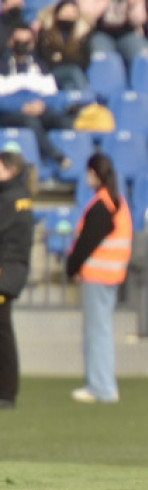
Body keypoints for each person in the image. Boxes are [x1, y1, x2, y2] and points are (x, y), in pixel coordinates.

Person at [66, 153, 133, 404]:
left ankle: (101, 386)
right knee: (101, 331)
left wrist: (71, 268)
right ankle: (102, 384)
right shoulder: (116, 202)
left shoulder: (102, 205)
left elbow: (85, 244)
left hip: (97, 275)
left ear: (94, 173)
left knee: (97, 333)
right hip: (111, 275)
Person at [0, 23, 73, 169]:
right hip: (9, 114)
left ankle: (75, 163)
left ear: (32, 44)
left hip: (39, 108)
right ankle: (54, 155)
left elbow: (56, 96)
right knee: (30, 121)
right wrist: (22, 106)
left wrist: (41, 104)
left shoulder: (40, 66)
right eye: (18, 42)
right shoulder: (2, 66)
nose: (22, 46)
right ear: (10, 42)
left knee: (63, 121)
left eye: (26, 42)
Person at [0, 151, 34, 410]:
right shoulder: (19, 197)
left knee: (3, 334)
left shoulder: (10, 198)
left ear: (9, 169)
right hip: (11, 270)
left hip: (5, 272)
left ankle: (6, 393)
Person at [36, 0, 92, 90]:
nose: (69, 15)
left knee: (69, 86)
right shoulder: (46, 34)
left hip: (72, 76)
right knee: (74, 71)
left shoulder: (82, 36)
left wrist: (61, 57)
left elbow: (84, 61)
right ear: (58, 13)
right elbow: (46, 58)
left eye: (72, 12)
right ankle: (88, 98)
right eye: (66, 11)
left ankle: (77, 100)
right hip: (51, 74)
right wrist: (68, 59)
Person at [87, 0, 148, 66]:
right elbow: (88, 15)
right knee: (102, 59)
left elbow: (139, 20)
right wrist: (103, 3)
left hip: (127, 33)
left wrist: (134, 6)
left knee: (143, 58)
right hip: (100, 33)